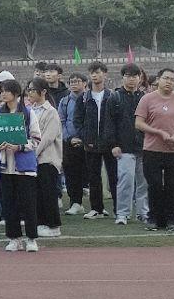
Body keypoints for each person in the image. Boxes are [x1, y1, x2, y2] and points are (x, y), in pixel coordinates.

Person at [135, 68, 174, 232]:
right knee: (154, 185)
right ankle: (154, 218)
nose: (169, 82)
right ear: (158, 79)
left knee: (172, 187)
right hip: (152, 150)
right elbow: (139, 123)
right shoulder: (147, 99)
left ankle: (171, 219)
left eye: (172, 80)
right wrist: (159, 132)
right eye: (166, 78)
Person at [0, 79, 39, 252]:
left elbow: (36, 139)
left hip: (24, 168)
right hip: (5, 167)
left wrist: (20, 146)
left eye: (6, 90)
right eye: (1, 91)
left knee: (28, 204)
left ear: (16, 93)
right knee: (9, 204)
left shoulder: (28, 113)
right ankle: (14, 238)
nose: (3, 94)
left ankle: (31, 238)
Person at [74, 62, 117, 219]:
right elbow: (77, 120)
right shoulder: (84, 97)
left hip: (110, 143)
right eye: (92, 72)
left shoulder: (112, 96)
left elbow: (117, 119)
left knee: (114, 176)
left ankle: (119, 209)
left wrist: (114, 139)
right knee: (93, 176)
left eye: (97, 72)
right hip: (91, 143)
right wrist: (85, 136)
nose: (94, 75)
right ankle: (97, 208)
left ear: (105, 74)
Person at [107, 64, 148, 225]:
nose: (131, 79)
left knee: (144, 182)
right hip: (124, 147)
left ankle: (143, 212)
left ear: (140, 78)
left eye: (134, 76)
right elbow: (109, 123)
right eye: (128, 76)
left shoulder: (145, 98)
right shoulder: (115, 97)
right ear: (123, 77)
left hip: (144, 146)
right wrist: (114, 144)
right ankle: (123, 213)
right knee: (126, 181)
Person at [25, 78, 64, 237]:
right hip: (33, 159)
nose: (30, 93)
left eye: (33, 90)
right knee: (37, 193)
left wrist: (32, 152)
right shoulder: (30, 110)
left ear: (43, 92)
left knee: (48, 193)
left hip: (47, 158)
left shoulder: (51, 111)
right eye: (28, 90)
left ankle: (53, 225)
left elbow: (48, 137)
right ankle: (41, 222)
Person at [59, 72, 88, 216]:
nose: (74, 84)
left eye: (77, 81)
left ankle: (97, 206)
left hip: (87, 142)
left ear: (85, 83)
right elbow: (61, 122)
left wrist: (83, 138)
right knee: (71, 173)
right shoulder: (65, 101)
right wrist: (70, 138)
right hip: (69, 142)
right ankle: (75, 202)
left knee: (89, 173)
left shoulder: (89, 99)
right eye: (71, 82)